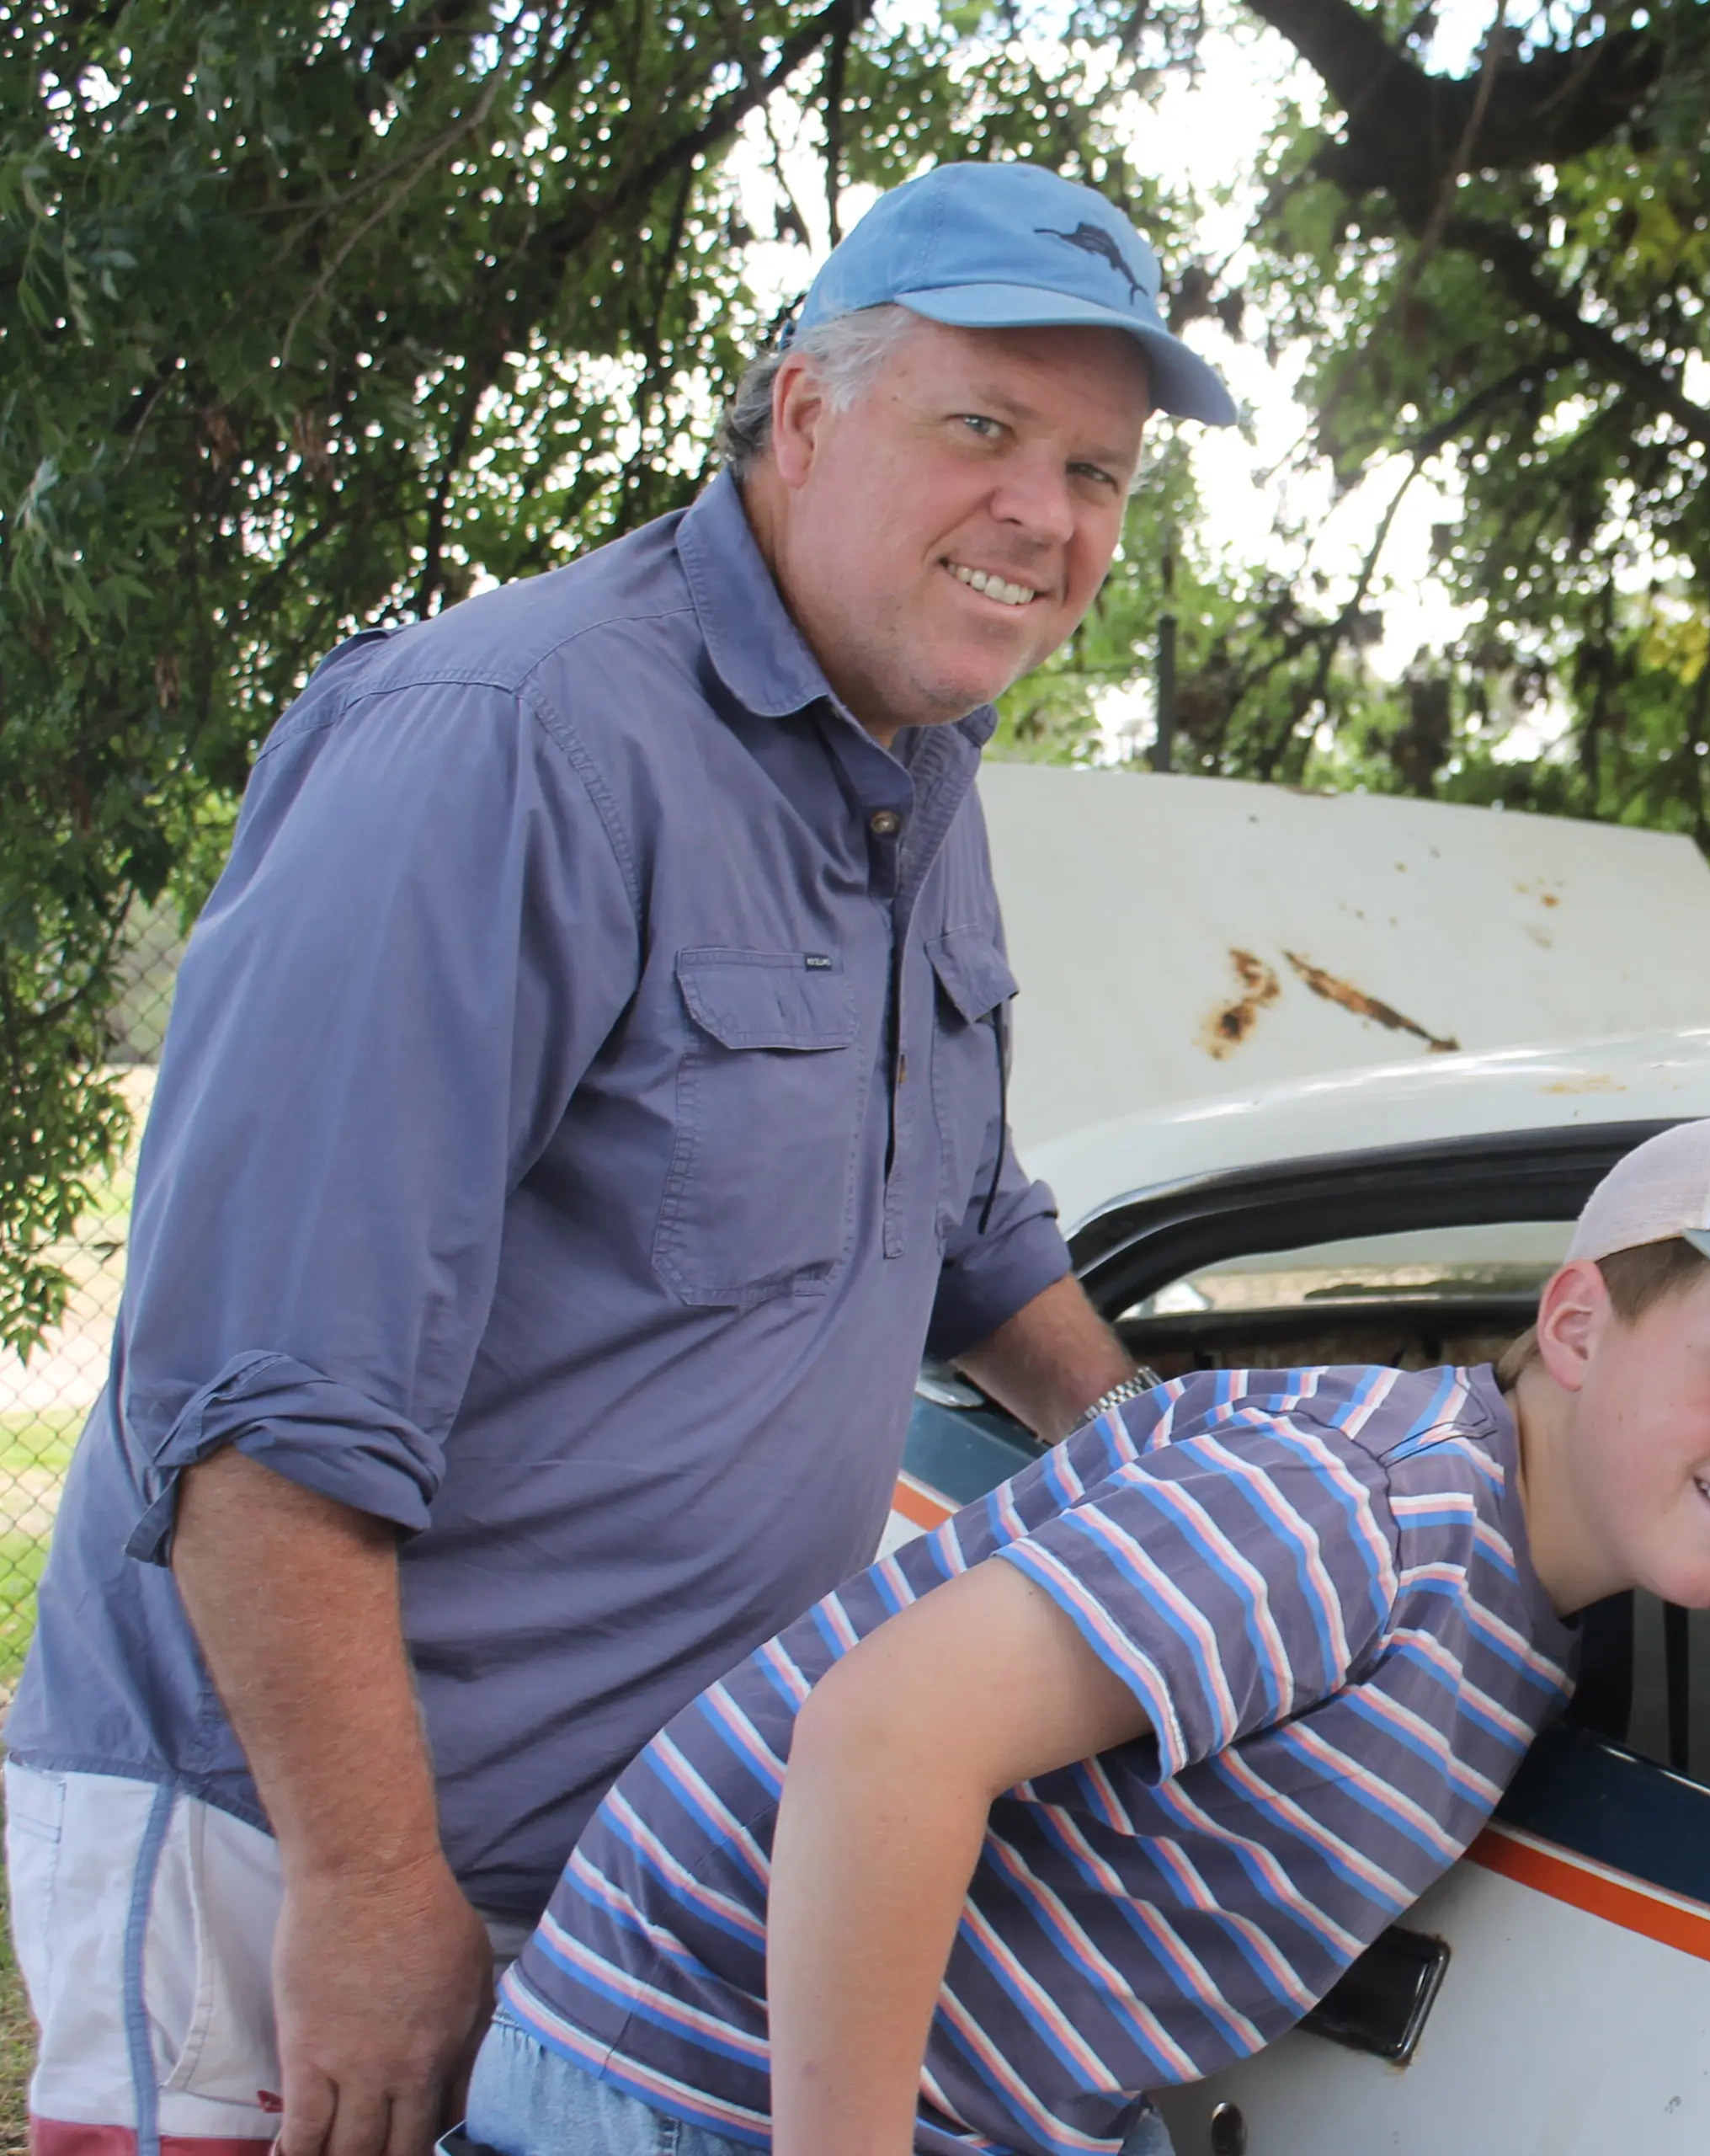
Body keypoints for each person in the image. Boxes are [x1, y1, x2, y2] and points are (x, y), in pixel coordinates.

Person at [3, 163, 1239, 2156]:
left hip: (610, 1863)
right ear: (804, 412)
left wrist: (1218, 1470)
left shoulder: (916, 763)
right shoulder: (507, 737)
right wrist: (373, 1889)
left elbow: (968, 1229)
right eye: (985, 430)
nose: (1046, 513)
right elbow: (258, 1400)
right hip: (298, 1842)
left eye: (1098, 470)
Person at [460, 1117, 1710, 2156]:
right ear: (1576, 1327)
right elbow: (885, 1736)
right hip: (687, 2086)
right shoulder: (1361, 1507)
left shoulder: (1518, 1605)